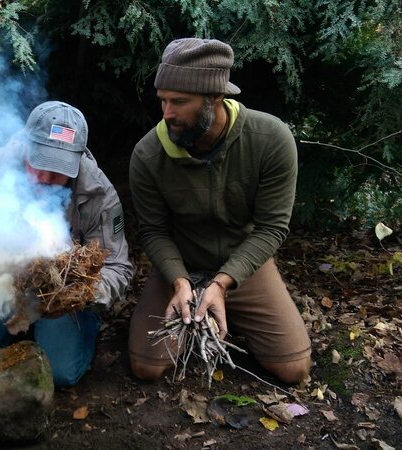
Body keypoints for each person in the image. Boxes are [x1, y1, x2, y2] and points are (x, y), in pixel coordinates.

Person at [127, 38, 311, 384]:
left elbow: (272, 228)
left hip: (243, 263)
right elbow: (153, 230)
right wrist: (179, 279)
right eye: (163, 100)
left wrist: (224, 282)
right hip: (180, 265)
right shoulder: (148, 154)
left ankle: (223, 305)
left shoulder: (269, 139)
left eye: (179, 102)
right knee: (147, 367)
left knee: (293, 369)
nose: (167, 113)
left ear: (215, 98)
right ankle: (196, 303)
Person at [0, 101, 134, 387]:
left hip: (62, 302)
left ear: (77, 158)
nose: (46, 178)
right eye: (40, 164)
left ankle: (64, 334)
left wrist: (80, 291)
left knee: (60, 374)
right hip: (4, 288)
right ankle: (20, 328)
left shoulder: (98, 193)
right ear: (25, 147)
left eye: (58, 169)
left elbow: (117, 267)